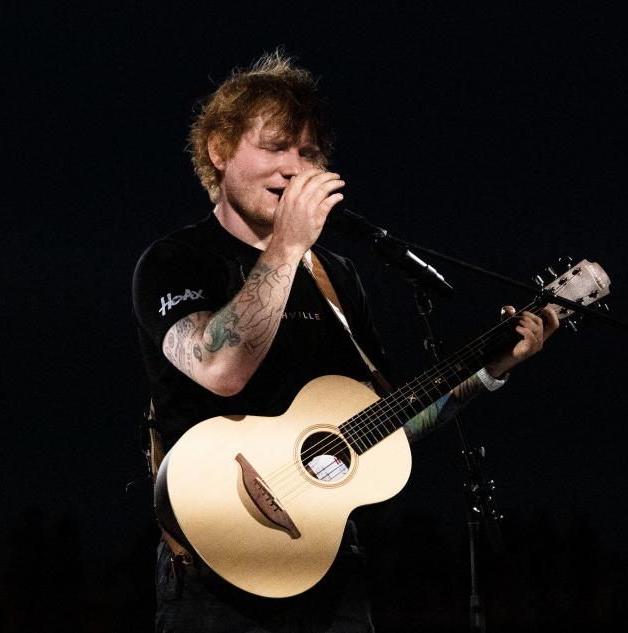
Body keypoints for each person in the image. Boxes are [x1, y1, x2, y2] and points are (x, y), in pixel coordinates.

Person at [132, 51, 559, 633]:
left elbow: (388, 422)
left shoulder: (337, 277)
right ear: (220, 151)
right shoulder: (174, 260)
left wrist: (489, 370)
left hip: (328, 564)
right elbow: (220, 366)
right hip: (212, 568)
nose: (293, 167)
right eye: (276, 146)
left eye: (307, 154)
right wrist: (284, 247)